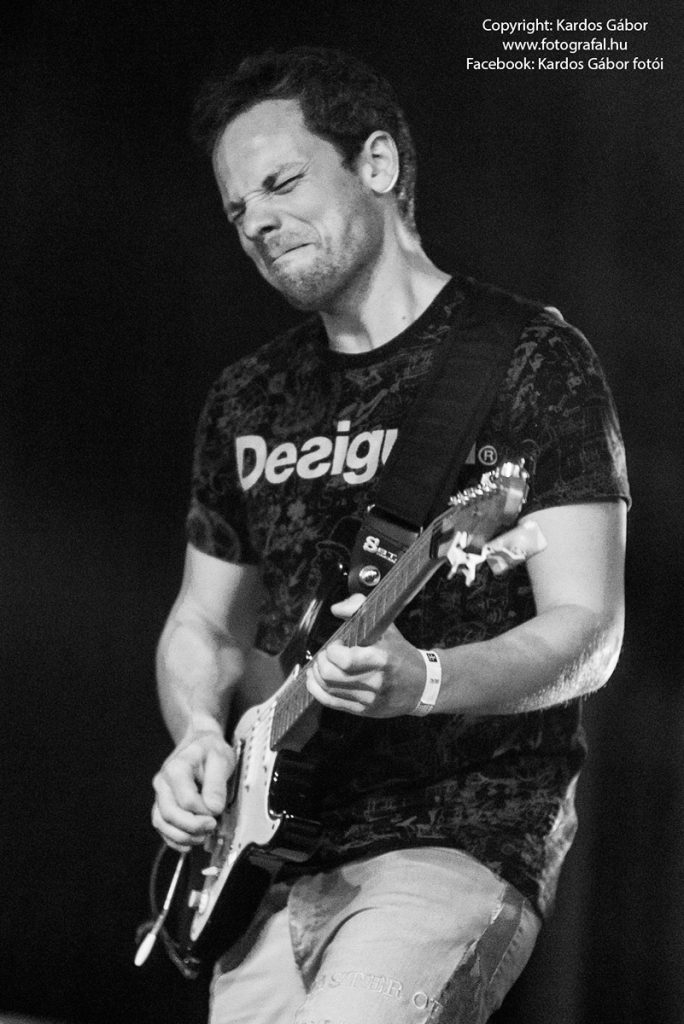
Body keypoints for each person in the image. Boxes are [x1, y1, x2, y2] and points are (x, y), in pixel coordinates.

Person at [150, 46, 629, 1024]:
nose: (257, 223)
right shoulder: (248, 397)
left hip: (453, 837)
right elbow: (202, 624)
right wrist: (198, 732)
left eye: (282, 184)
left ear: (376, 163)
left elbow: (588, 627)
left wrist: (430, 680)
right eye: (237, 210)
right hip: (262, 868)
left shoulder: (527, 358)